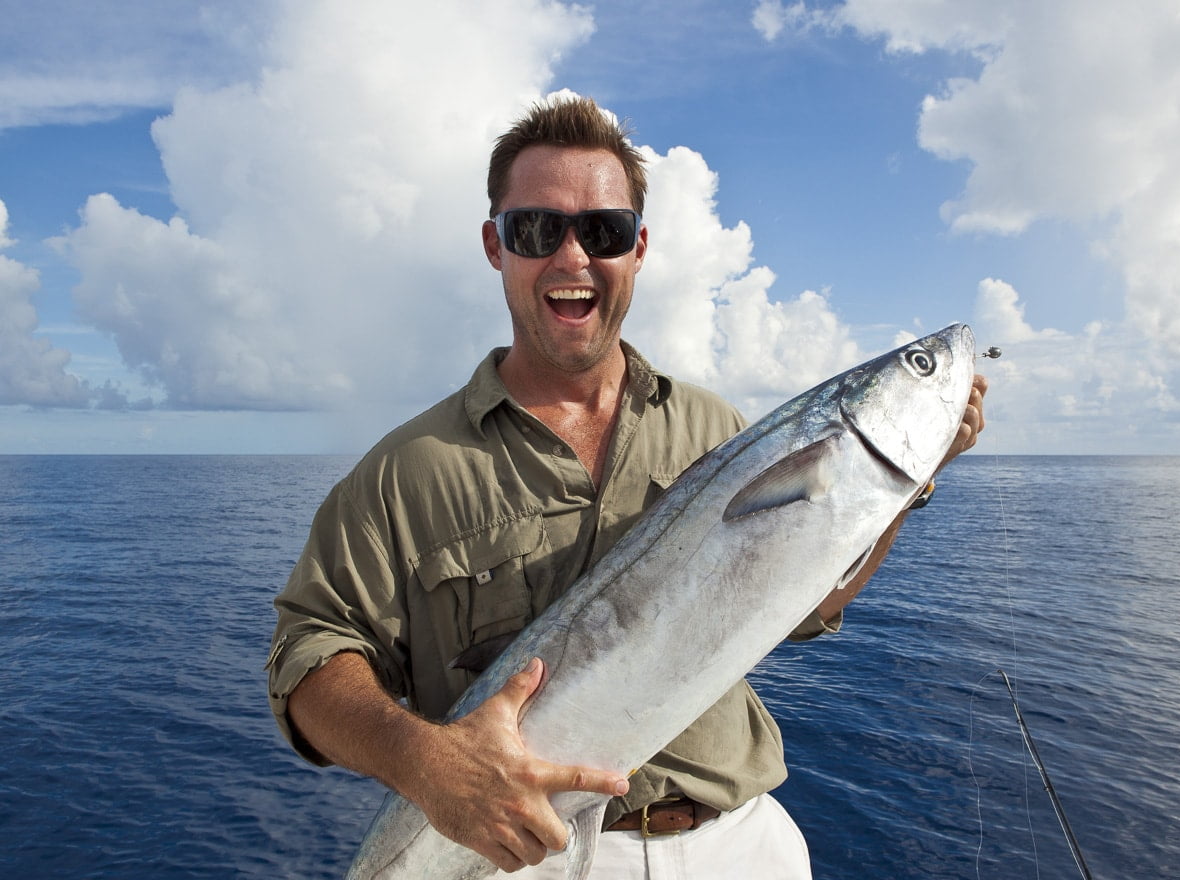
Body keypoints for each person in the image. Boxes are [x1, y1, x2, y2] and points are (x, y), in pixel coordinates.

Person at [266, 95, 988, 878]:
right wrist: (425, 761)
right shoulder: (406, 471)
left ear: (638, 249)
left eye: (602, 231)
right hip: (517, 858)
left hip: (736, 843)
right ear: (494, 247)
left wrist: (905, 485)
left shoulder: (720, 431)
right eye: (536, 229)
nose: (572, 256)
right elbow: (308, 653)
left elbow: (812, 602)